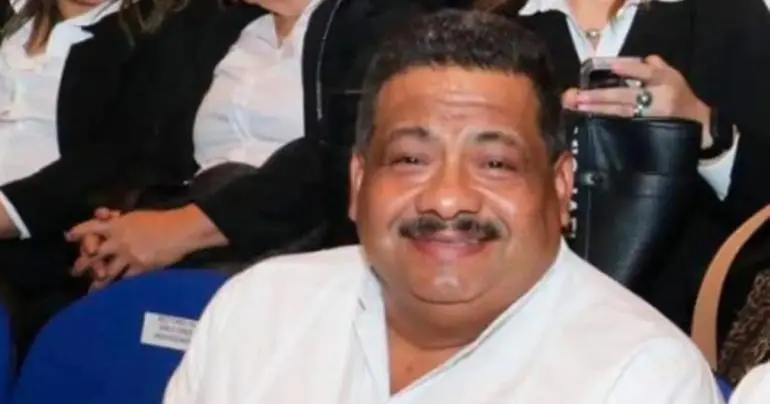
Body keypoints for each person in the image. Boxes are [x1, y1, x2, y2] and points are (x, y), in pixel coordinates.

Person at [163, 11, 722, 403]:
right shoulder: (256, 314)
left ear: (559, 188)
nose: (448, 198)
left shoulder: (640, 380)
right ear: (358, 182)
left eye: (495, 163)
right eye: (410, 159)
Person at [65, 0, 439, 288]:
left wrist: (185, 226)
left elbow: (352, 153)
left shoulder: (383, 20)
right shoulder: (214, 28)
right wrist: (123, 226)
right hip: (196, 231)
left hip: (305, 250)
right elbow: (148, 152)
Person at [486, 0, 770, 335]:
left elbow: (761, 201)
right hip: (528, 327)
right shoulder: (498, 30)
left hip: (690, 332)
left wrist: (702, 126)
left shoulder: (726, 16)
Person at [0, 0, 195, 349]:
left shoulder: (157, 33)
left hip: (49, 240)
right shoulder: (12, 23)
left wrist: (9, 210)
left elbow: (120, 155)